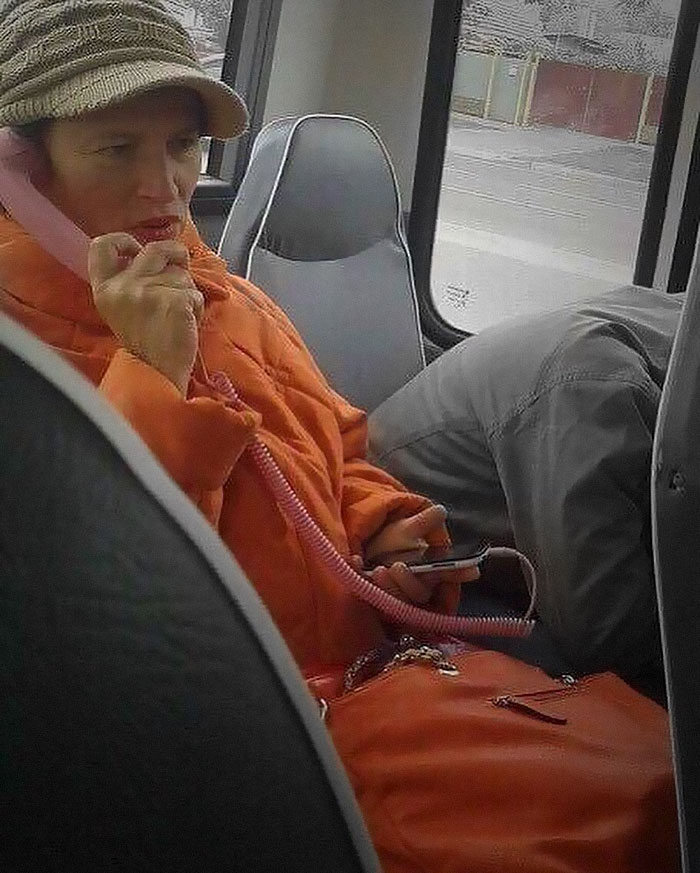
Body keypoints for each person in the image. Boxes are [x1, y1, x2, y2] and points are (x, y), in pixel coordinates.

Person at [0, 2, 680, 871]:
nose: (164, 187)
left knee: (652, 775)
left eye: (182, 146)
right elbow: (101, 607)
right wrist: (151, 375)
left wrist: (382, 527)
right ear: (25, 170)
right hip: (252, 730)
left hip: (373, 670)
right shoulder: (25, 366)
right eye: (116, 149)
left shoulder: (234, 302)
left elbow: (337, 443)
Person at [369, 286, 682, 699]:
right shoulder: (591, 391)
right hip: (419, 578)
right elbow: (607, 637)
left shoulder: (674, 326)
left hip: (521, 559)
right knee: (617, 691)